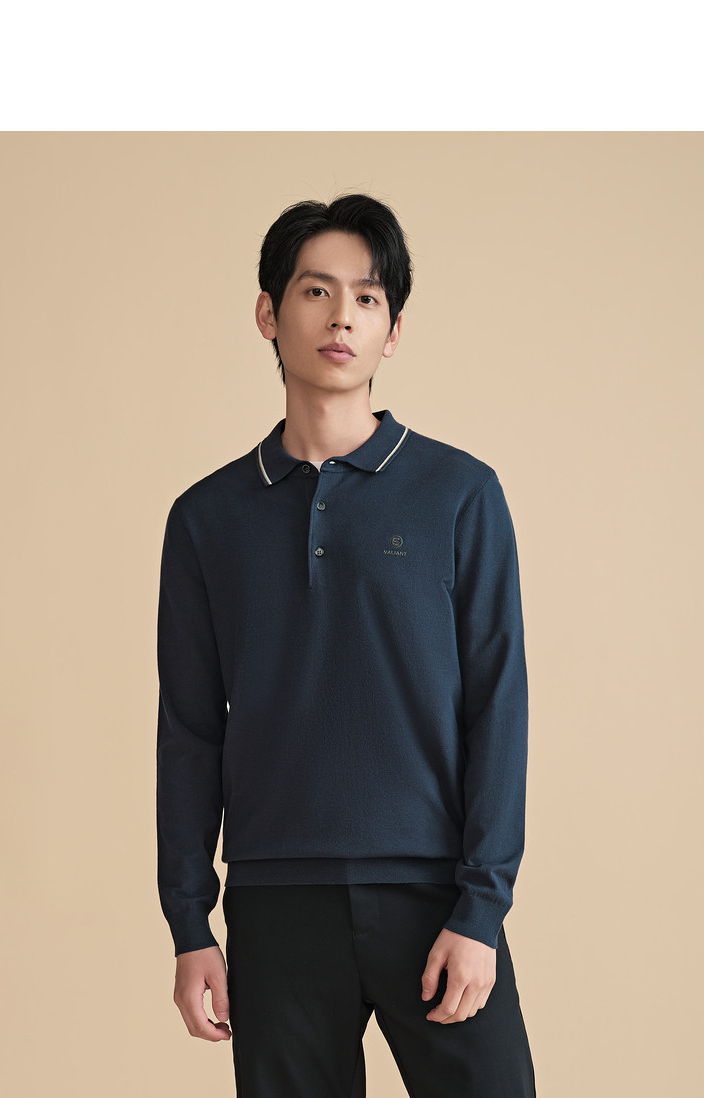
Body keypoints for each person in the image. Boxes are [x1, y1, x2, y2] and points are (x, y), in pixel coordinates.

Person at [156, 193, 537, 1097]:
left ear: (392, 331)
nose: (341, 318)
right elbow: (190, 730)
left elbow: (498, 705)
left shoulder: (460, 494)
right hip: (275, 902)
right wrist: (190, 924)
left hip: (433, 895)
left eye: (367, 298)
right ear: (268, 314)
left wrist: (481, 908)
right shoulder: (207, 518)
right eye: (316, 291)